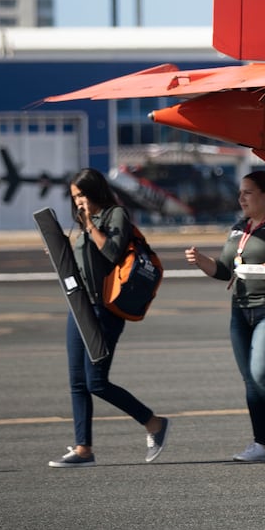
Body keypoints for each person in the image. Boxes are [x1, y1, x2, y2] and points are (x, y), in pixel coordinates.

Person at [185, 170, 265, 462]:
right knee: (250, 380)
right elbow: (224, 270)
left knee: (262, 372)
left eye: (247, 192)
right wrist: (201, 261)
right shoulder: (239, 228)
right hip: (242, 310)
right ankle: (261, 441)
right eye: (240, 193)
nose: (241, 198)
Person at [48, 167, 170, 467]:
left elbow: (112, 253)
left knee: (97, 382)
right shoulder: (82, 222)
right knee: (77, 381)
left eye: (82, 195)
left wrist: (89, 222)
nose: (78, 202)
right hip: (80, 306)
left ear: (95, 191)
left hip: (106, 309)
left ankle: (153, 422)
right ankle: (83, 449)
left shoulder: (115, 215)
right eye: (74, 197)